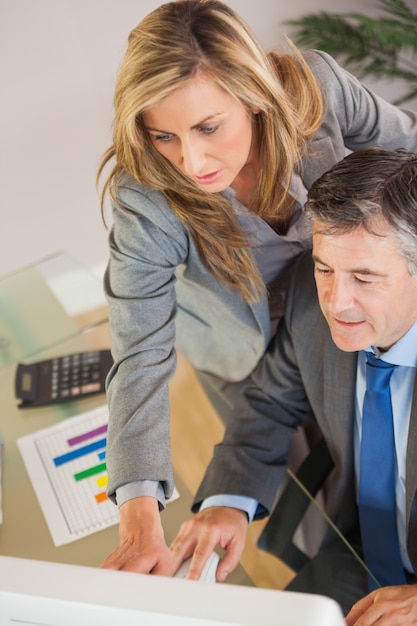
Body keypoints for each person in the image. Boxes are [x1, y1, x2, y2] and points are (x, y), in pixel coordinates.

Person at [97, 0, 417, 575]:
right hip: (242, 351)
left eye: (208, 127)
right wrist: (140, 520)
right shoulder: (146, 197)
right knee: (300, 477)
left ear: (254, 93)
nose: (191, 161)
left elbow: (410, 153)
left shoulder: (315, 89)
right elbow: (139, 352)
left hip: (343, 308)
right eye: (163, 135)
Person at [170, 147, 417, 622]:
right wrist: (229, 502)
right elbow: (268, 401)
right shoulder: (309, 292)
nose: (335, 302)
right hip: (357, 549)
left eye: (364, 277)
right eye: (325, 268)